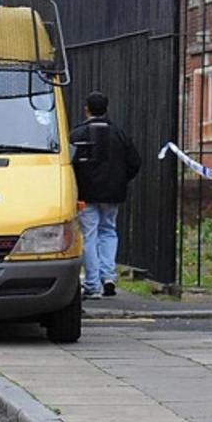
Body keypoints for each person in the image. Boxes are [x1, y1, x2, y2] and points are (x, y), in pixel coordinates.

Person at [70, 91, 141, 299]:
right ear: (106, 109)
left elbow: (69, 164)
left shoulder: (77, 134)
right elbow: (135, 162)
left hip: (85, 194)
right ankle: (108, 276)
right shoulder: (119, 133)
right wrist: (120, 180)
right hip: (112, 193)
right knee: (108, 231)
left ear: (87, 109)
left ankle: (92, 284)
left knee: (88, 236)